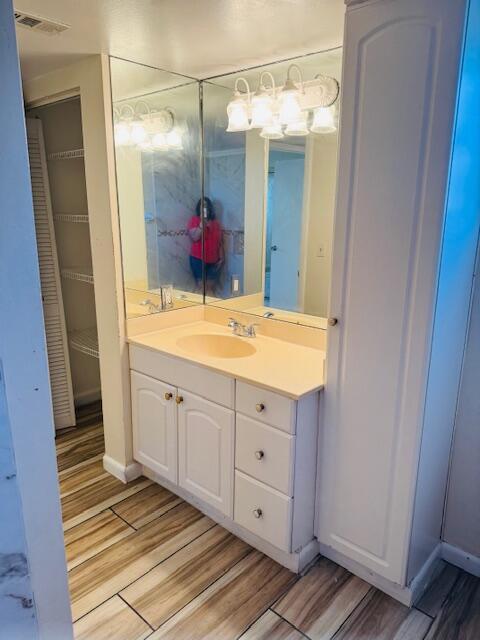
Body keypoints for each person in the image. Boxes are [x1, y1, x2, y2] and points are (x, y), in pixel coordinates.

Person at [187, 197, 224, 294]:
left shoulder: (216, 223)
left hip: (214, 260)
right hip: (198, 259)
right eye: (202, 205)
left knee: (210, 287)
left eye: (206, 205)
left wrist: (221, 257)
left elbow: (219, 242)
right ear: (199, 208)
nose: (204, 207)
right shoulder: (194, 220)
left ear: (210, 208)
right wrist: (201, 225)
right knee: (201, 287)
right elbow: (194, 237)